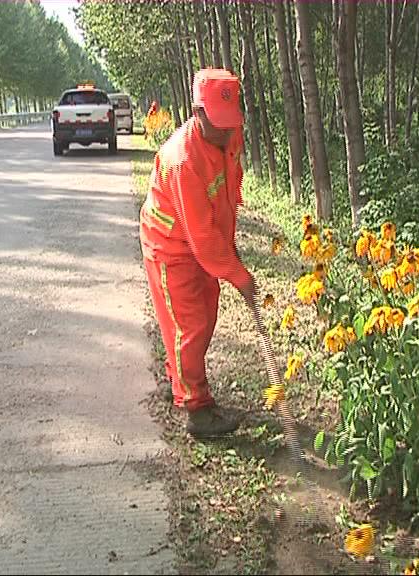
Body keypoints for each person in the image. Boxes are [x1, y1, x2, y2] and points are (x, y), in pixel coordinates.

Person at [139, 68, 257, 439]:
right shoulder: (181, 159)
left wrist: (231, 245)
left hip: (203, 240)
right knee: (189, 325)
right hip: (169, 245)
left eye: (230, 123)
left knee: (207, 315)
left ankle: (182, 375)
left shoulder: (230, 134)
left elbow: (228, 194)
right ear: (197, 112)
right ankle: (196, 409)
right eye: (218, 123)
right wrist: (240, 275)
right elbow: (201, 236)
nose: (226, 131)